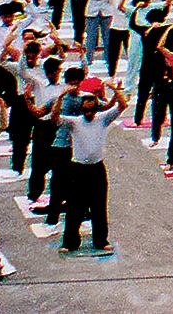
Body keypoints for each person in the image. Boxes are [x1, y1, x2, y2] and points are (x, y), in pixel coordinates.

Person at [57, 79, 125, 257]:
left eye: (92, 110)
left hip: (97, 167)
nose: (89, 113)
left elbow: (122, 105)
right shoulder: (75, 122)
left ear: (96, 109)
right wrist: (61, 96)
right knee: (74, 207)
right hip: (78, 168)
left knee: (99, 206)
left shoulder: (102, 119)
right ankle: (70, 242)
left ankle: (101, 240)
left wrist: (112, 89)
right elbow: (55, 117)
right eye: (86, 110)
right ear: (81, 110)